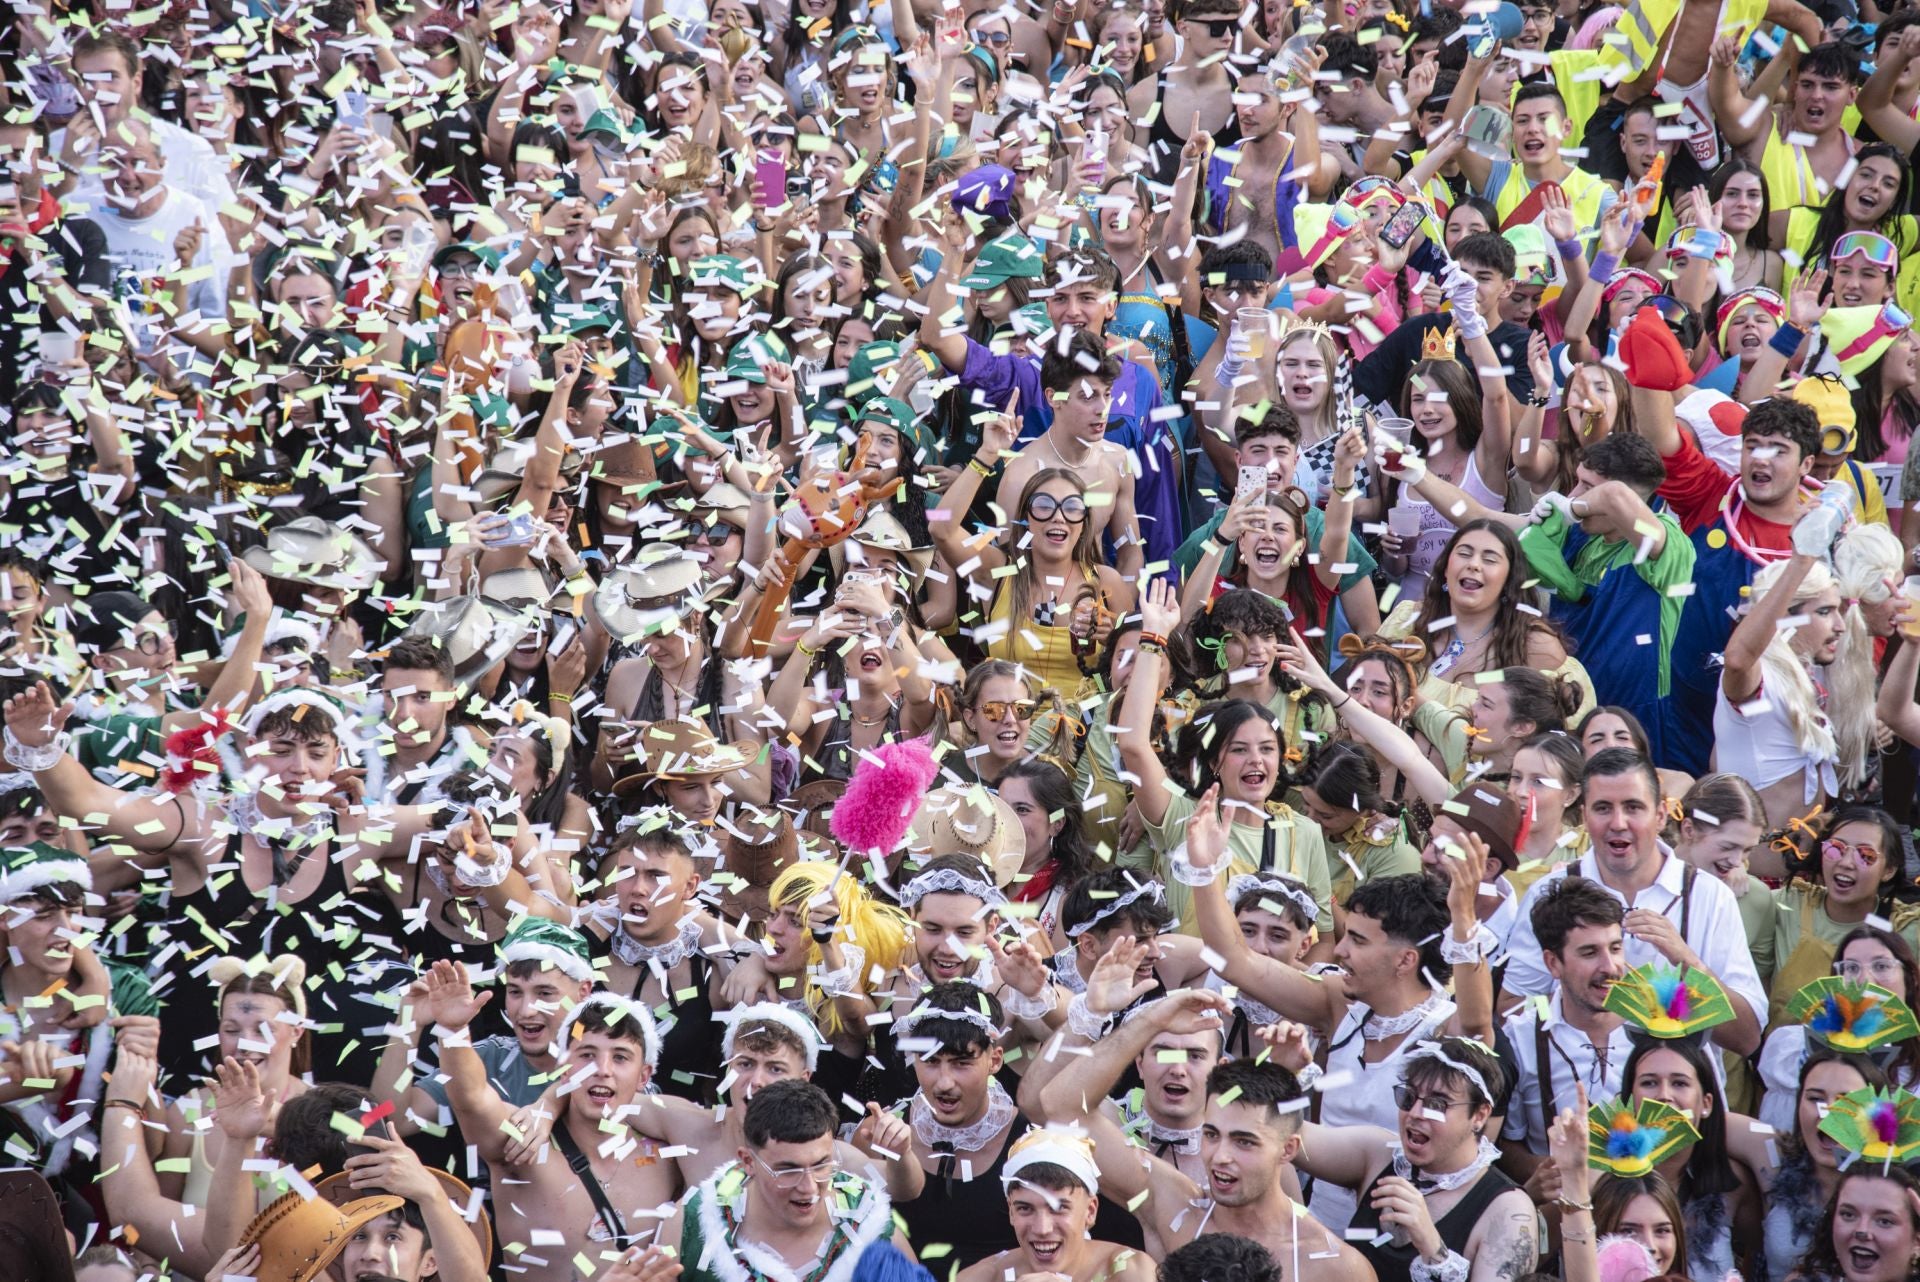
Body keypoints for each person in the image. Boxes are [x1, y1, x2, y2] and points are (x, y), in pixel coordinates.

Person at [1499, 749, 1766, 1059]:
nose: (1618, 822)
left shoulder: (1708, 895)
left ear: (1661, 815)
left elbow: (1746, 1038)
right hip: (1573, 1097)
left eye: (1633, 807)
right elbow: (1512, 1009)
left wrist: (1686, 963)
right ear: (1584, 816)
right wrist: (1563, 1000)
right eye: (1602, 808)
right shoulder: (1550, 892)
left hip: (1675, 1099)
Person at [660, 1080, 913, 1282]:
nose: (809, 1188)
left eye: (820, 1165)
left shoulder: (872, 1227)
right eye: (787, 1171)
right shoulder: (690, 1226)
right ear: (748, 1162)